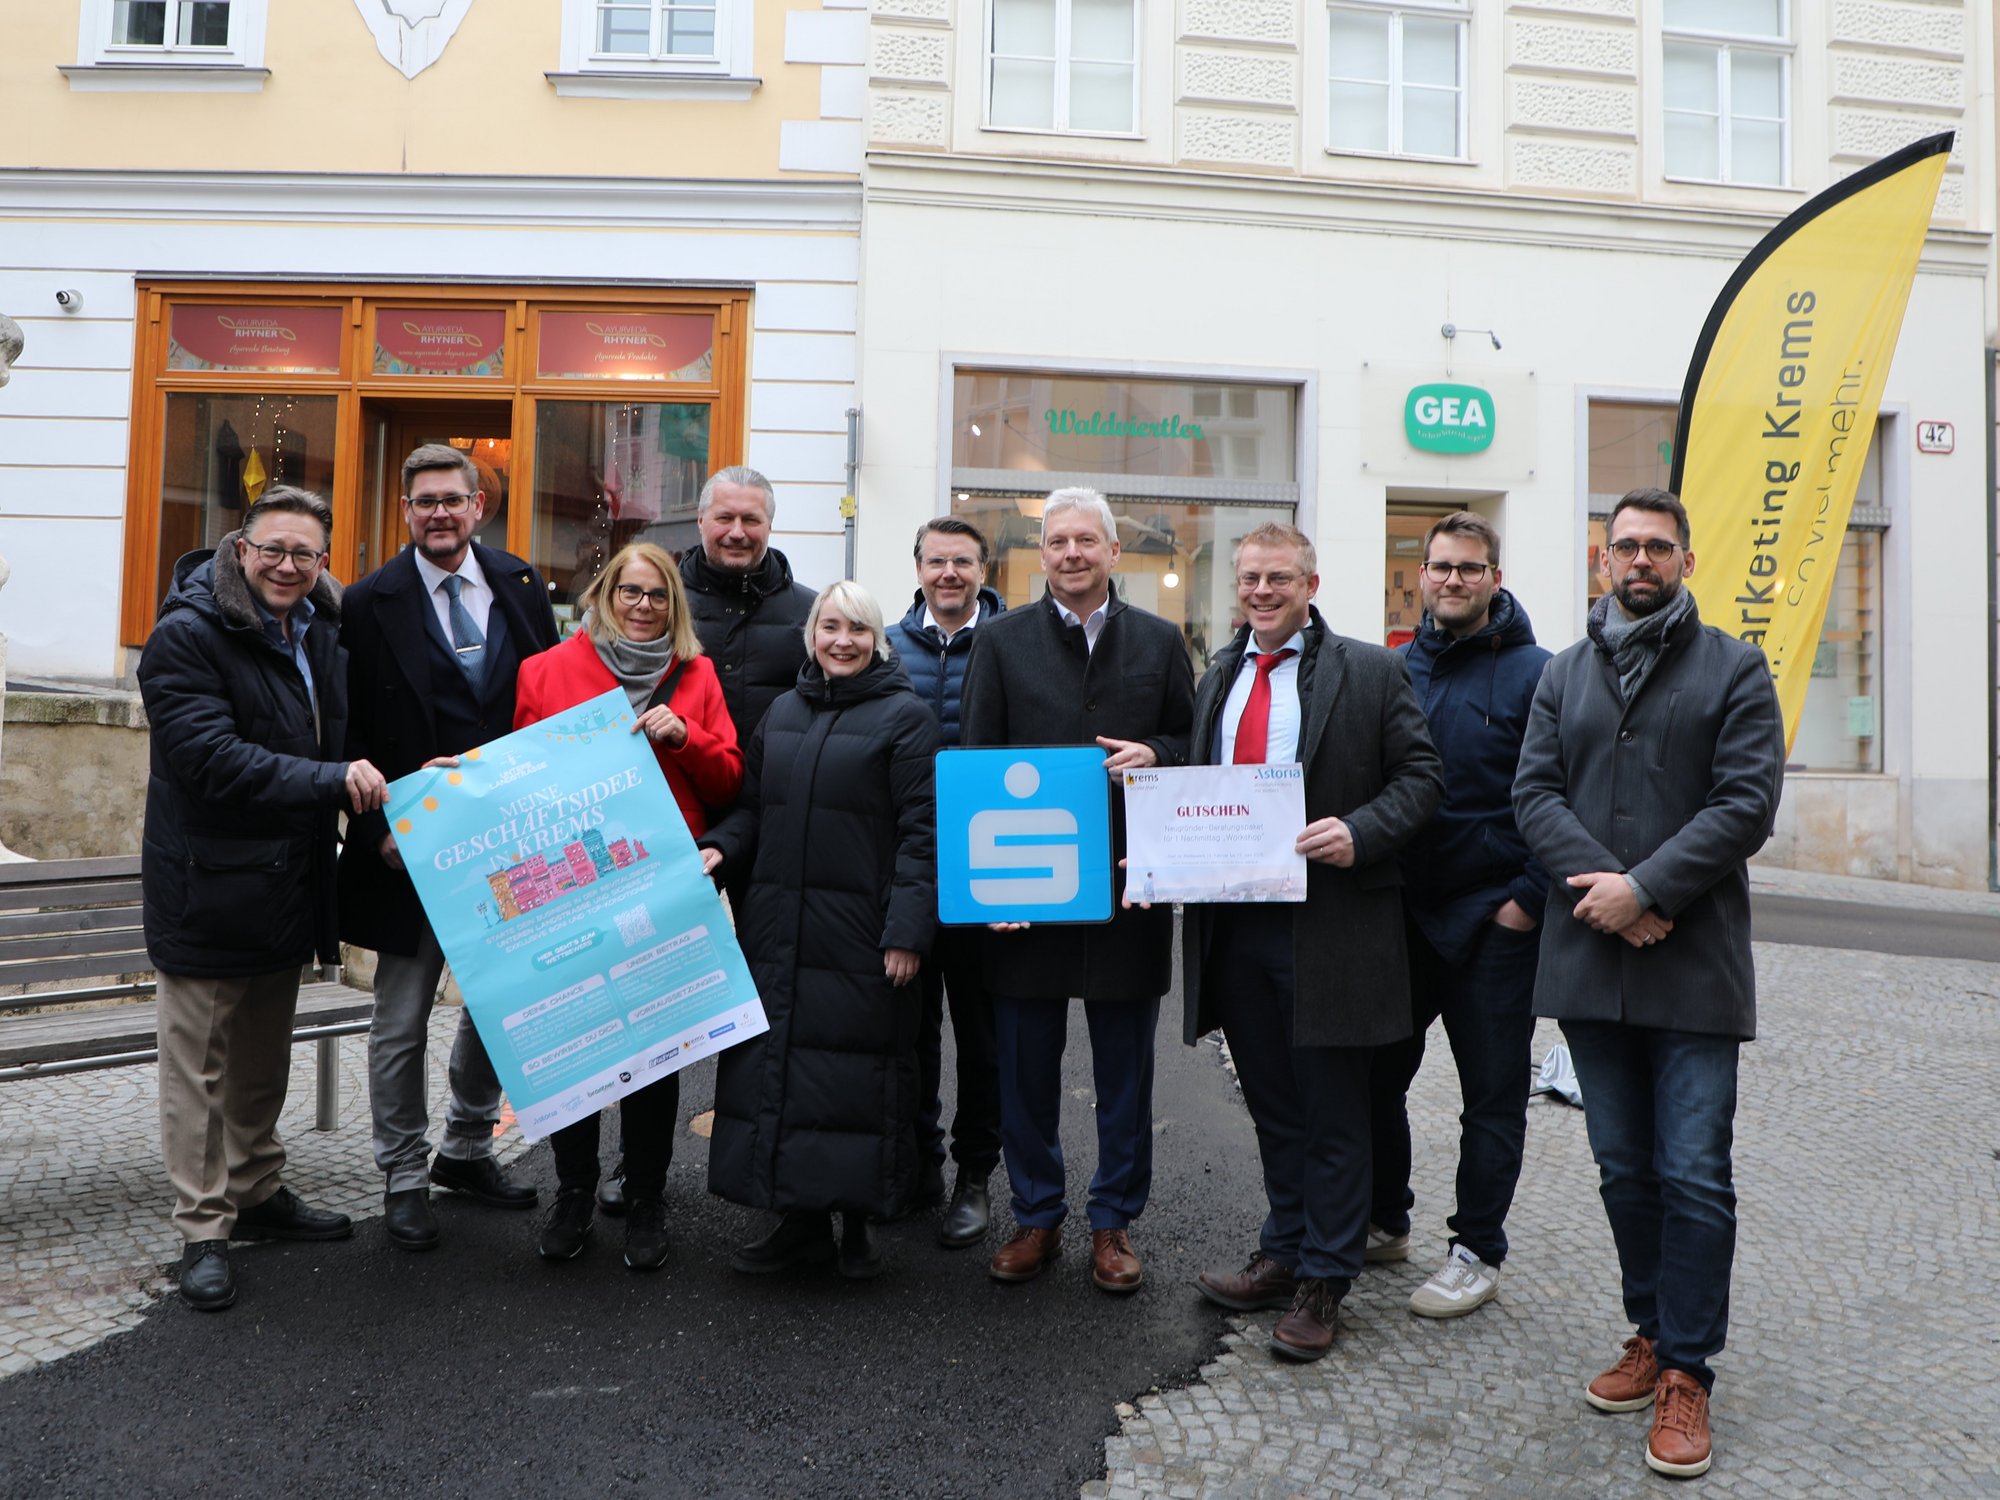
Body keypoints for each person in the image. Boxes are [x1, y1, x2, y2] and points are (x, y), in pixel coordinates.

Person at [1513, 487, 1783, 1480]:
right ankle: (1646, 1330)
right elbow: (1530, 791)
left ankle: (1686, 1371)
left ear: (1685, 558)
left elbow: (1745, 802)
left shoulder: (1733, 668)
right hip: (1590, 958)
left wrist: (1647, 887)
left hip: (1692, 965)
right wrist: (1606, 891)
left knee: (1692, 1174)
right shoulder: (1563, 673)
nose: (1637, 560)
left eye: (1655, 546)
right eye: (1621, 546)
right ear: (1601, 562)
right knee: (1623, 1169)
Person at [1183, 522, 1441, 1360]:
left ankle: (1326, 1281)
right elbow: (1203, 791)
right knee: (1274, 1106)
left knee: (1334, 1110)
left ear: (1311, 583)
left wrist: (1361, 832)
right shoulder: (1220, 672)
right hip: (1239, 924)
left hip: (1331, 923)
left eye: (1279, 578)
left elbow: (1423, 778)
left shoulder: (1372, 669)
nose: (1261, 591)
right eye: (1250, 577)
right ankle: (1285, 1248)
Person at [138, 486, 380, 1311]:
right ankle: (204, 1226)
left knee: (260, 1060)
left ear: (323, 562)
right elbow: (211, 761)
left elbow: (341, 733)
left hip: (286, 884)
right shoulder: (186, 636)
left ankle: (258, 1189)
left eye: (304, 554)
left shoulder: (324, 626)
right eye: (272, 549)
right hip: (206, 885)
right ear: (239, 549)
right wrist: (332, 782)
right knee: (198, 1067)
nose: (287, 566)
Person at [959, 488, 1195, 1295]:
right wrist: (987, 892)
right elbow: (975, 760)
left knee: (1125, 1067)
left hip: (1129, 885)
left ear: (1112, 552)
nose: (1070, 553)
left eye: (1086, 540)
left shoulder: (1161, 642)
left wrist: (1156, 752)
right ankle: (1035, 1214)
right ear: (1042, 551)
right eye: (1057, 540)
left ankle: (1112, 1221)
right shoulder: (1000, 642)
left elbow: (1191, 742)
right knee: (1024, 1063)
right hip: (1026, 888)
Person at [339, 443, 559, 1252]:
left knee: (503, 1005)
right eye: (424, 500)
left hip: (508, 845)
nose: (439, 513)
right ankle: (402, 1173)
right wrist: (377, 827)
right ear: (405, 510)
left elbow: (550, 691)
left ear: (478, 507)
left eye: (453, 500)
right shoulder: (365, 602)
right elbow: (346, 729)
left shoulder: (521, 583)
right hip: (411, 850)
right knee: (400, 1021)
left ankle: (467, 1147)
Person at [700, 581, 939, 1281]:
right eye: (830, 627)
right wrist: (719, 848)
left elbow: (922, 838)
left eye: (857, 630)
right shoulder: (782, 712)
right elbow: (753, 809)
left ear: (877, 640)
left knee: (856, 1082)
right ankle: (798, 1224)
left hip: (860, 935)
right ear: (811, 636)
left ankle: (857, 1228)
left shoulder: (907, 718)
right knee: (785, 1074)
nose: (843, 641)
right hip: (777, 929)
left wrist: (907, 932)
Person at [512, 542, 742, 1270]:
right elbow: (514, 779)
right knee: (575, 1045)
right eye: (630, 592)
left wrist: (687, 736)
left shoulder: (697, 676)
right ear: (605, 594)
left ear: (674, 607)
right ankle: (574, 1192)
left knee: (654, 1048)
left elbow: (731, 781)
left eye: (658, 596)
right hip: (571, 888)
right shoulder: (543, 671)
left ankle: (645, 1195)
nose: (643, 606)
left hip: (660, 889)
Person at [1365, 511, 1551, 1317]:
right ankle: (1382, 1217)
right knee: (1374, 1075)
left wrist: (1528, 903)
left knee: (1492, 1095)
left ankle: (1477, 1248)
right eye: (1439, 567)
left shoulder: (1540, 672)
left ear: (1494, 579)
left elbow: (1560, 794)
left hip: (1492, 920)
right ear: (1421, 576)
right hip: (1401, 915)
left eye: (1469, 569)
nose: (1451, 580)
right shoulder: (1392, 669)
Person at [887, 516, 1005, 1245]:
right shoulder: (886, 645)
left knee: (984, 1034)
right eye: (938, 561)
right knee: (909, 1028)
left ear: (983, 569)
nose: (950, 573)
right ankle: (919, 1161)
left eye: (963, 561)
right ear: (920, 567)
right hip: (908, 864)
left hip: (989, 865)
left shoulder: (1013, 641)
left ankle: (975, 1174)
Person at [677, 465, 817, 743]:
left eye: (751, 520)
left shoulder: (812, 613)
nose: (737, 532)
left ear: (770, 526)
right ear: (701, 521)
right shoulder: (661, 606)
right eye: (725, 518)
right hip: (680, 781)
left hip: (774, 783)